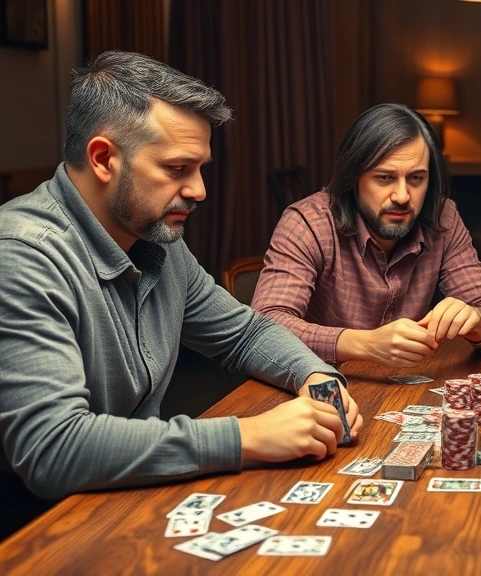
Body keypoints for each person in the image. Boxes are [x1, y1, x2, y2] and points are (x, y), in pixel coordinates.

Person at [0, 52, 363, 507]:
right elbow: (52, 450)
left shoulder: (157, 238)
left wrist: (312, 374)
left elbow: (245, 333)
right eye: (177, 169)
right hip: (39, 524)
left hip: (131, 495)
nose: (199, 190)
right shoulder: (20, 254)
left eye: (201, 168)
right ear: (102, 158)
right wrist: (246, 436)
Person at [252, 103, 481, 368]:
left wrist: (477, 319)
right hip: (320, 387)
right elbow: (266, 327)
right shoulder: (308, 223)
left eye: (416, 179)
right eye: (385, 178)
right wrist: (364, 344)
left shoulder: (442, 217)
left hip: (402, 392)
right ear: (353, 178)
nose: (402, 196)